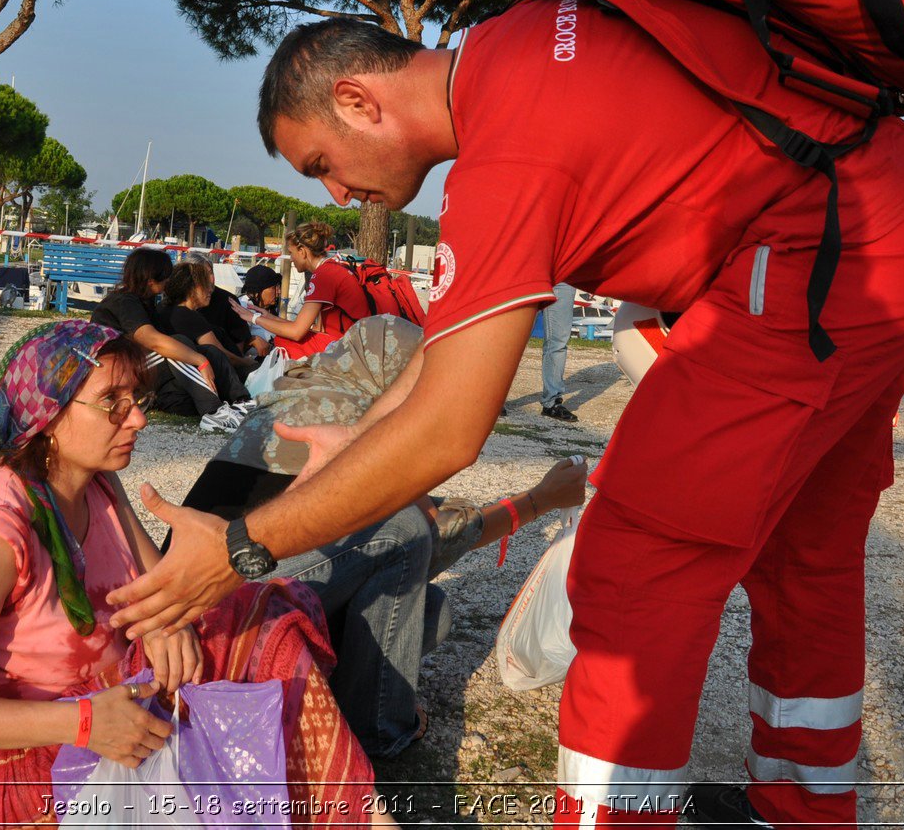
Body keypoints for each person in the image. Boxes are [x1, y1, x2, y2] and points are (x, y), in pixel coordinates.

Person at [105, 0, 904, 828]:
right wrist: (359, 440)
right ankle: (802, 808)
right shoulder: (517, 49)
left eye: (320, 164)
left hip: (819, 251)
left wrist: (245, 548)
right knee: (805, 551)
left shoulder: (504, 156)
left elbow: (449, 428)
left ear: (358, 100)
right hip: (896, 214)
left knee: (638, 565)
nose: (336, 195)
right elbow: (452, 344)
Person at [0, 319, 395, 828]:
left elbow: (158, 590)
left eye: (137, 400)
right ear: (46, 414)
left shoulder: (96, 485)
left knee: (250, 613)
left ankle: (353, 813)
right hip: (21, 759)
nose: (138, 421)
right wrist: (81, 723)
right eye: (112, 403)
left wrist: (165, 624)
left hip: (110, 702)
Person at [172, 315, 590, 756]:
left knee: (432, 611)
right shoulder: (352, 421)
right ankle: (377, 730)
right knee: (407, 541)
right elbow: (430, 536)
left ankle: (324, 694)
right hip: (225, 621)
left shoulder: (304, 396)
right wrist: (538, 500)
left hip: (217, 606)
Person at [88, 248, 250, 428]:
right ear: (150, 279)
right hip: (119, 369)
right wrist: (200, 360)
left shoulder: (145, 302)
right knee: (178, 345)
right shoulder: (124, 301)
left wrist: (202, 356)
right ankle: (213, 412)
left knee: (207, 351)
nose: (168, 280)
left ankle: (241, 401)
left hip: (141, 366)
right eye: (165, 276)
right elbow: (152, 340)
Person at [238, 222, 369, 359]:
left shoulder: (323, 276)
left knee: (283, 342)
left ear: (302, 251)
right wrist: (270, 317)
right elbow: (311, 329)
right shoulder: (332, 268)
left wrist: (253, 318)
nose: (291, 258)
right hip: (352, 343)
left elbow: (297, 332)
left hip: (347, 349)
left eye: (291, 252)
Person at [157, 260, 257, 376]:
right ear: (191, 288)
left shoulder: (163, 308)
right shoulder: (189, 317)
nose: (210, 289)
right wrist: (247, 362)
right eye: (205, 285)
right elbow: (220, 354)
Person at [181, 250, 255, 357]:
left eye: (211, 272)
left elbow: (238, 344)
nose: (210, 279)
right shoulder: (177, 305)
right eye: (204, 274)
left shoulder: (228, 301)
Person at [540, 283, 578, 422]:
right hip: (528, 270)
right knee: (514, 340)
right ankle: (496, 398)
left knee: (559, 341)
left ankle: (552, 402)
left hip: (563, 277)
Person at [238, 262, 283, 357]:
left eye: (278, 287)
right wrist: (252, 341)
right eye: (273, 287)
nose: (278, 291)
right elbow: (232, 347)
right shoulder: (242, 307)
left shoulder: (269, 308)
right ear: (258, 291)